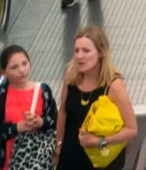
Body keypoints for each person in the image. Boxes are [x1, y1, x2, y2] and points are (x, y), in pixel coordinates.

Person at [55, 26, 138, 170]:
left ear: (100, 53)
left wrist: (99, 141)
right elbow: (63, 111)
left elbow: (131, 129)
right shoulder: (71, 74)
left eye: (86, 51)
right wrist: (58, 145)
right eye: (76, 50)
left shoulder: (113, 85)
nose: (79, 56)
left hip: (101, 160)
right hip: (71, 156)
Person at [0, 45, 59, 170]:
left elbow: (56, 120)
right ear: (4, 72)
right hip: (6, 164)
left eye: (24, 63)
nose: (22, 70)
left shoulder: (43, 90)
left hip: (38, 163)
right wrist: (16, 128)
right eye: (14, 67)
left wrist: (41, 122)